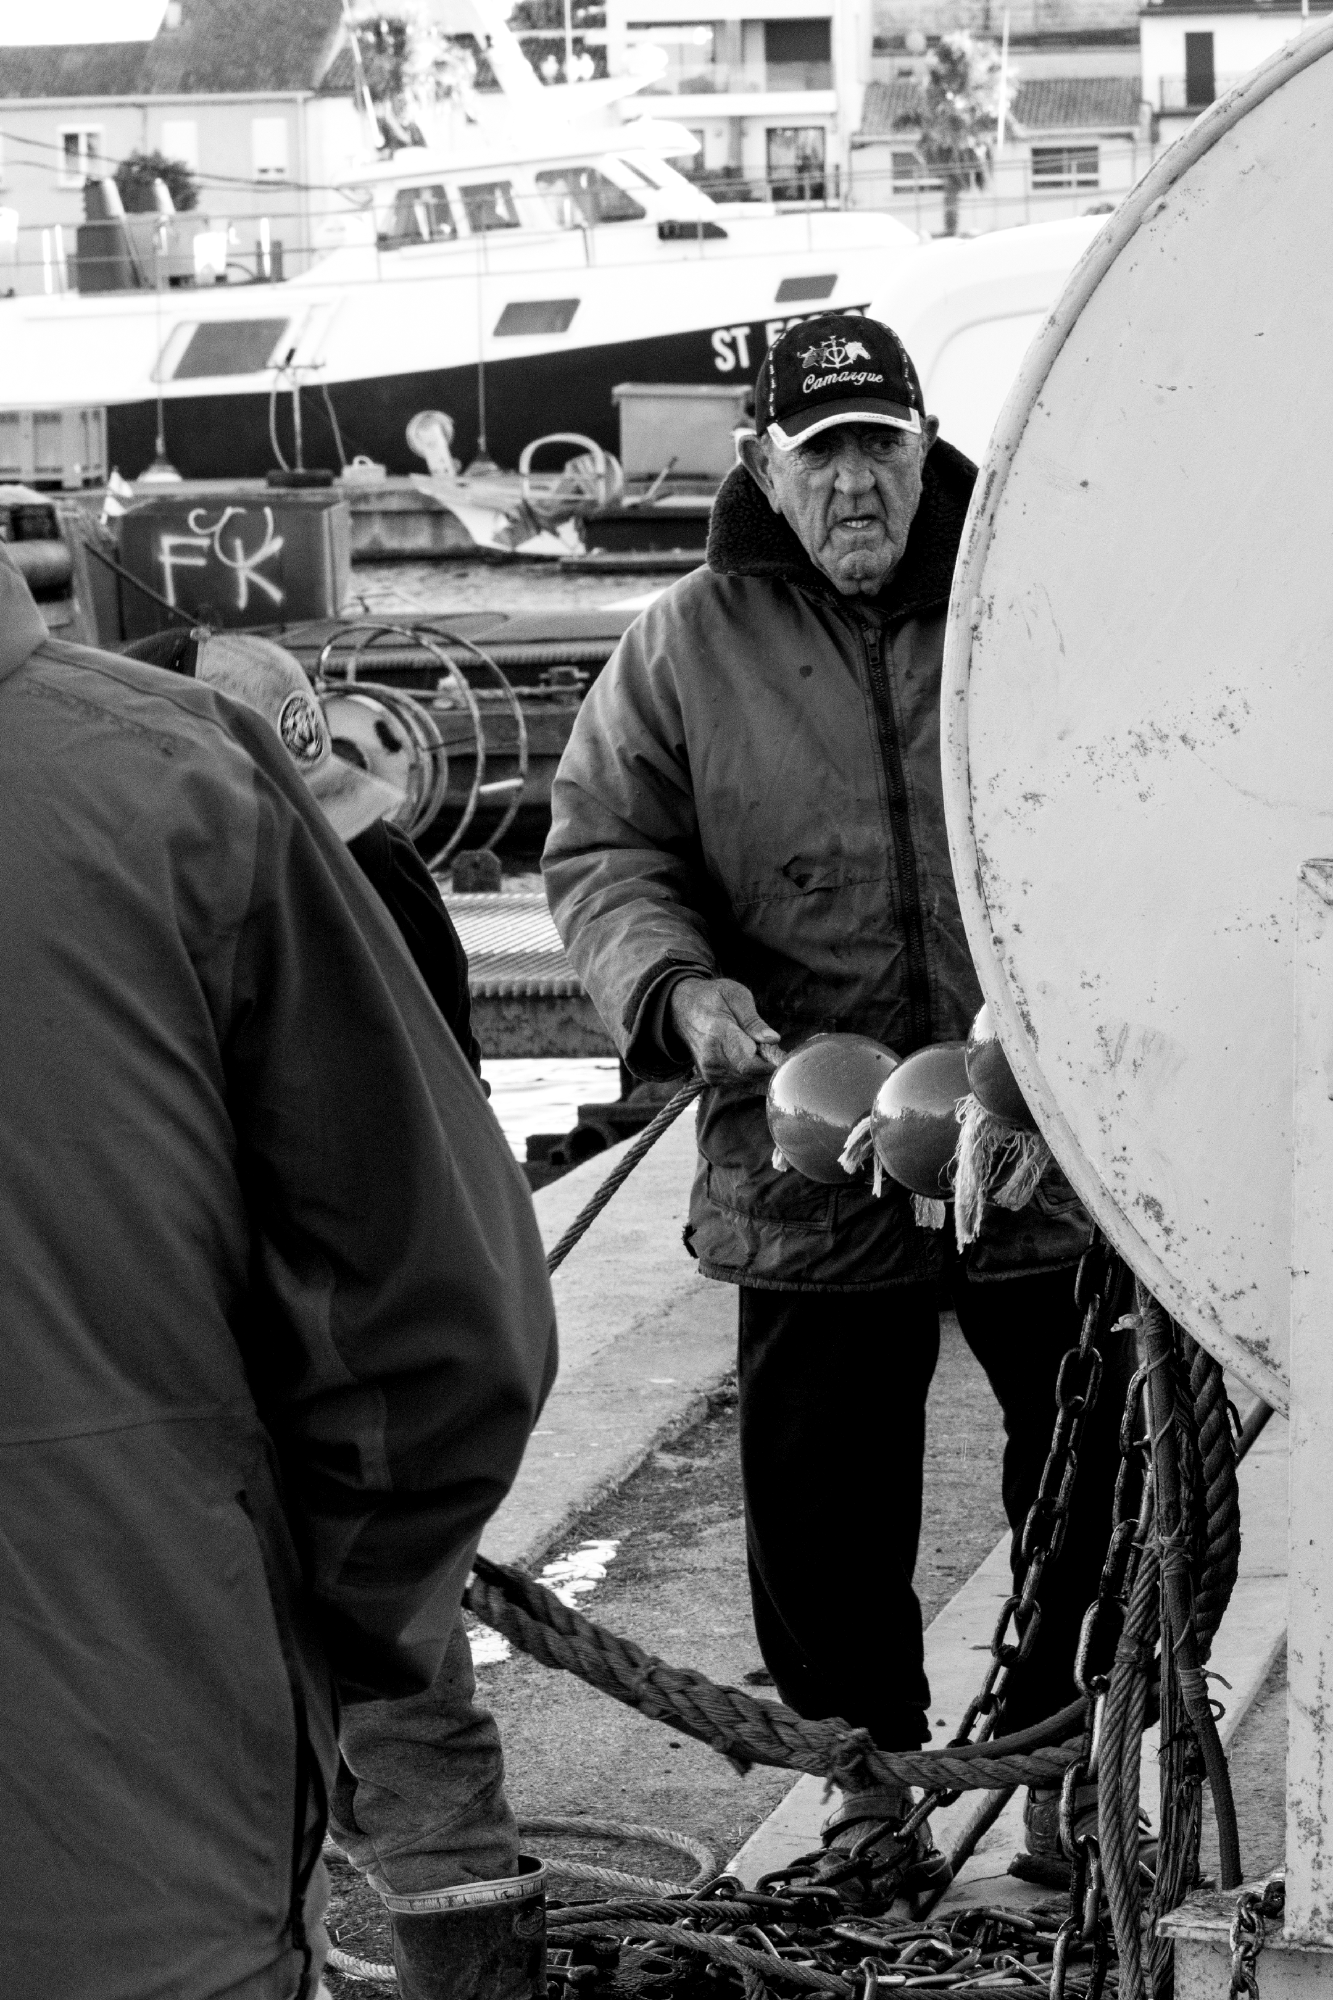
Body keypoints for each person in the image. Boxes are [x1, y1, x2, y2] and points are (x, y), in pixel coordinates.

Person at [543, 312, 1129, 1898]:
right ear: (763, 463)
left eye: (880, 446)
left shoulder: (1027, 589)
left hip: (1039, 1133)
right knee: (820, 1505)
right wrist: (674, 989)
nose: (856, 482)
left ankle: (1064, 1767)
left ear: (925, 448)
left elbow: (1131, 789)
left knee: (1093, 1470)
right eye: (823, 454)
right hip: (801, 1146)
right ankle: (868, 1789)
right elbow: (605, 853)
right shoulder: (682, 643)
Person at [0, 547, 558, 2000]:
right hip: (141, 1835)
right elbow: (439, 1318)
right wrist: (330, 1616)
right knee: (419, 1733)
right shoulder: (183, 790)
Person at [123, 625, 534, 1999]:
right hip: (351, 1373)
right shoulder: (374, 865)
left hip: (272, 1378)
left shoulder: (219, 878)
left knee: (361, 1717)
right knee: (396, 1707)